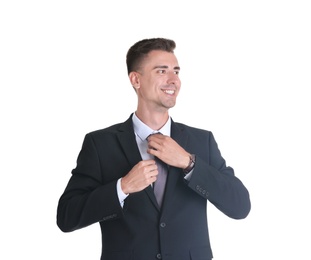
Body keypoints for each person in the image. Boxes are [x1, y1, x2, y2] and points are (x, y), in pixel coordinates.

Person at [57, 37, 251, 260]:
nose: (173, 80)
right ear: (136, 80)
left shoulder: (201, 141)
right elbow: (66, 216)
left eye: (176, 71)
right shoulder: (100, 144)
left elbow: (240, 206)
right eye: (162, 71)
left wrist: (190, 163)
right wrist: (123, 187)